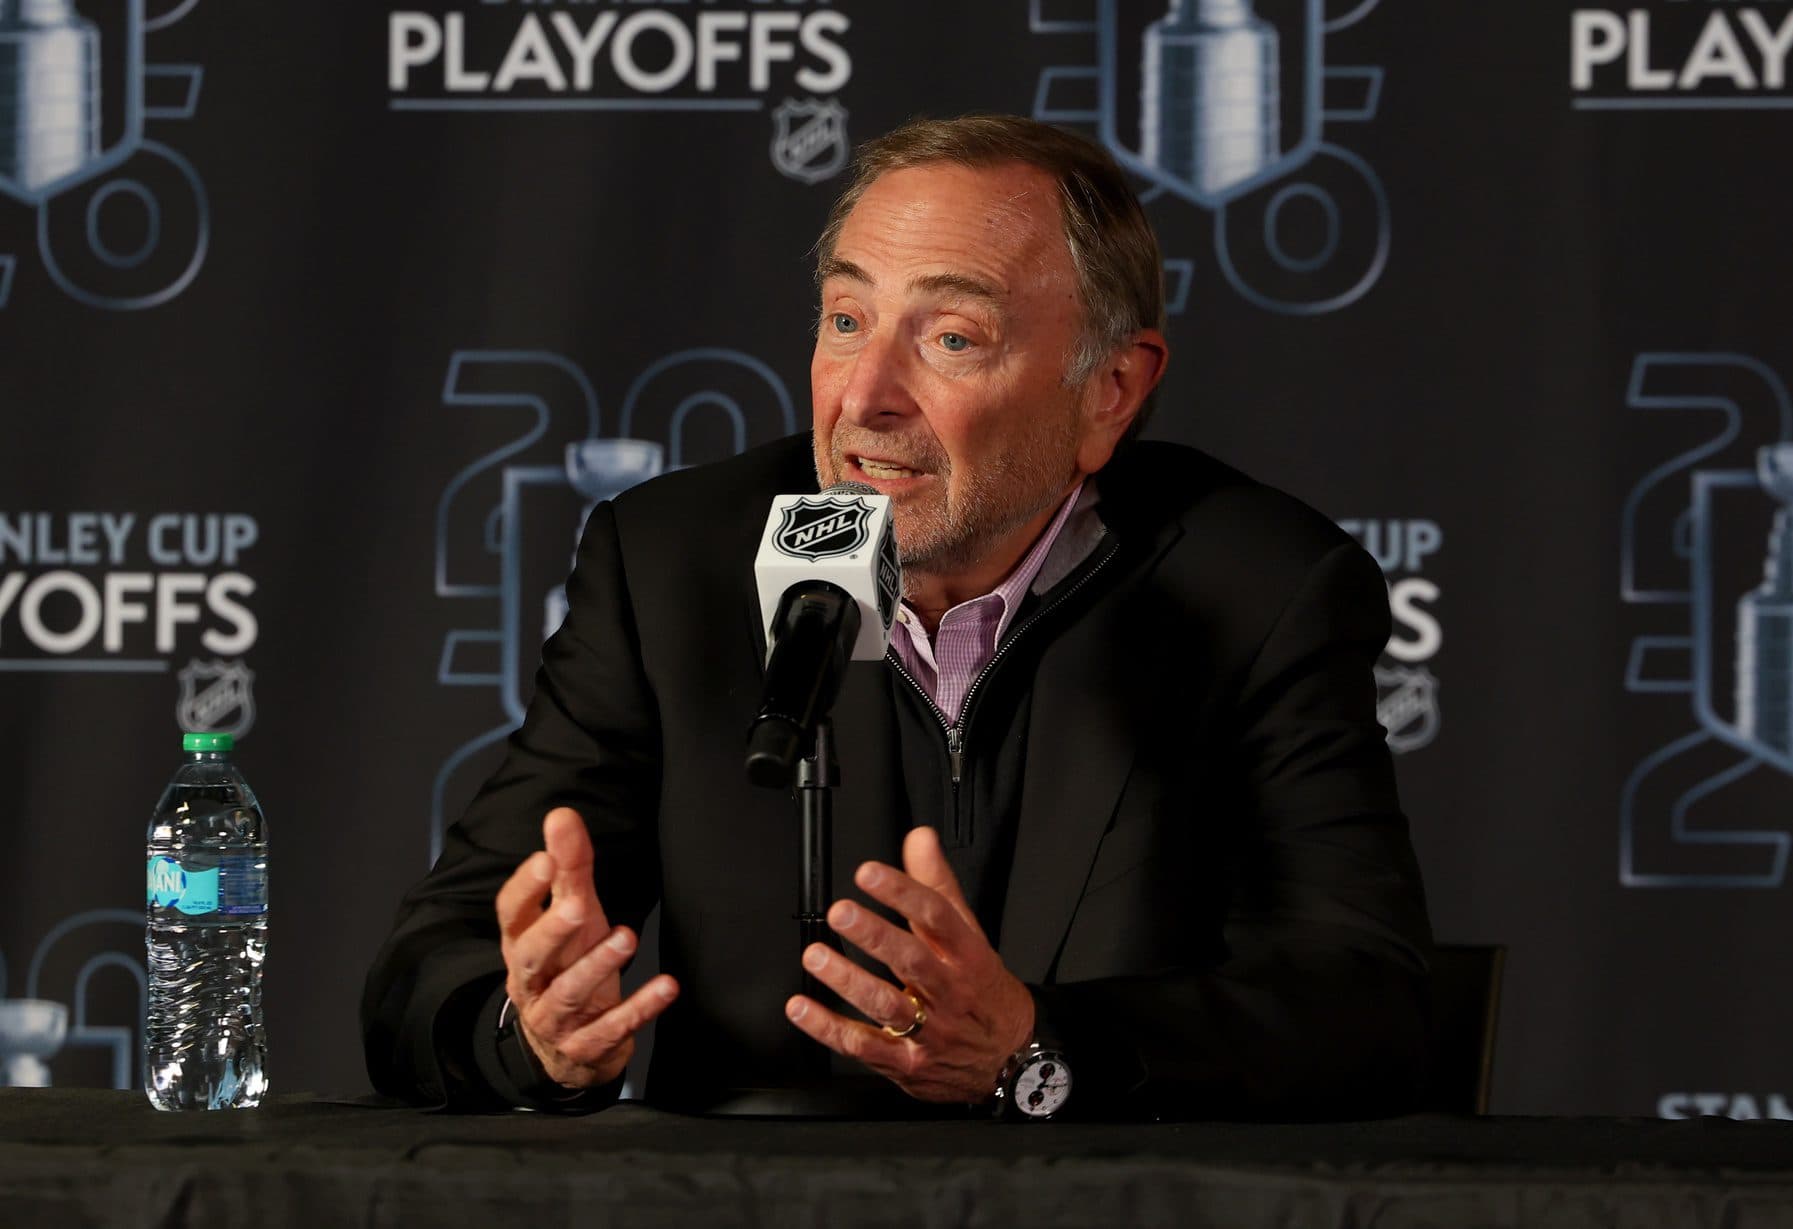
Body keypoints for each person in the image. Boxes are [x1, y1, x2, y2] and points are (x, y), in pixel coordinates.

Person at [362, 114, 1433, 1121]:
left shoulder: (1257, 588)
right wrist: (528, 1033)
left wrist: (1034, 1048)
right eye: (844, 318)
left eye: (951, 338)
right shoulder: (673, 565)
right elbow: (430, 963)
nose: (864, 392)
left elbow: (1363, 1003)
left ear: (1107, 389)